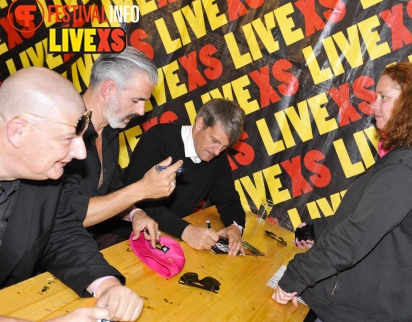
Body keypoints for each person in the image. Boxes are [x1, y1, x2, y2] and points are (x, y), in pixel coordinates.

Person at [272, 62, 412, 321]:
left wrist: (295, 276)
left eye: (384, 97)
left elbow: (355, 237)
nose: (373, 106)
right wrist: (319, 229)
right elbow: (374, 219)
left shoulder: (408, 168)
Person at [0, 67, 143, 321]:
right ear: (18, 132)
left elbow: (61, 232)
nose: (81, 153)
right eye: (68, 139)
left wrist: (107, 285)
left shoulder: (44, 175)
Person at [63, 47, 183, 250]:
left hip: (79, 248)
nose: (141, 111)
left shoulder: (110, 132)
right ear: (108, 89)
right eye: (136, 101)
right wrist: (142, 189)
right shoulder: (65, 131)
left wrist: (136, 214)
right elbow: (70, 213)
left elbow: (112, 191)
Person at [124, 99, 246, 256]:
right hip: (127, 235)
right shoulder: (158, 139)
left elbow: (229, 200)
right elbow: (136, 199)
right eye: (215, 141)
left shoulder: (217, 157)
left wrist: (235, 227)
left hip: (172, 239)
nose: (217, 152)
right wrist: (186, 231)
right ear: (200, 123)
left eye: (224, 147)